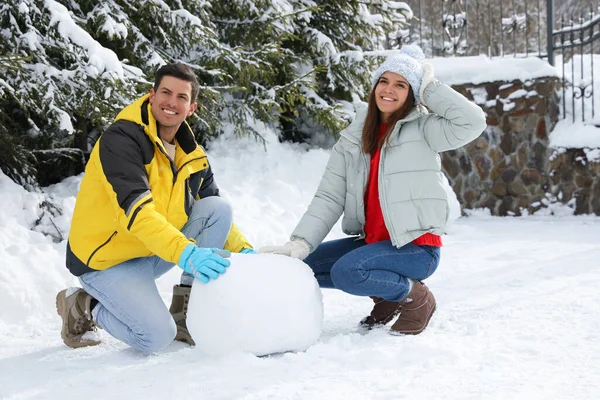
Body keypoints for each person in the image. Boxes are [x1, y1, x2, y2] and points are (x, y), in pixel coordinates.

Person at [260, 45, 486, 335]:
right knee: (304, 266)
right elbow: (329, 196)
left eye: (401, 84)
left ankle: (415, 297)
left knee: (348, 272)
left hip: (416, 248)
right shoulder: (354, 137)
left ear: (412, 92)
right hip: (373, 243)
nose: (389, 90)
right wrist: (301, 243)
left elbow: (473, 121)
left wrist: (428, 87)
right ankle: (388, 297)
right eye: (384, 81)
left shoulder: (425, 130)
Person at [56, 62, 255, 353]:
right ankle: (84, 304)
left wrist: (245, 253)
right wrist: (187, 253)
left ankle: (185, 311)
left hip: (149, 249)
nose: (172, 103)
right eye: (166, 92)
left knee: (217, 208)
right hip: (105, 261)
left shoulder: (192, 155)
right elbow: (137, 213)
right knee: (155, 337)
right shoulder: (122, 140)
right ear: (151, 95)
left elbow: (212, 212)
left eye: (181, 97)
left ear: (192, 108)